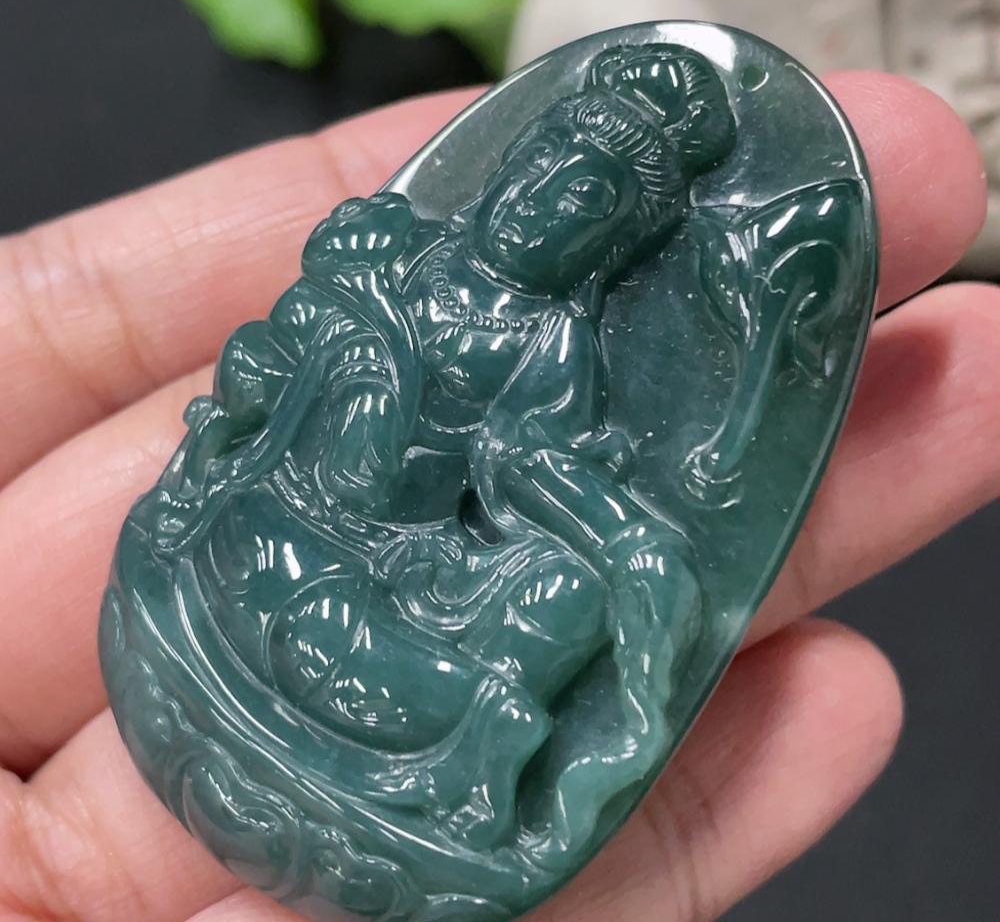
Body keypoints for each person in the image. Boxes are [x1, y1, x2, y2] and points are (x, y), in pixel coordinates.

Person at [0, 66, 991, 922]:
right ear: (513, 160)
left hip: (416, 564)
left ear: (607, 242)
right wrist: (352, 322)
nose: (541, 197)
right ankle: (440, 714)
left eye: (585, 197)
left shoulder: (552, 342)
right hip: (287, 525)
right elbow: (273, 372)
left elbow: (529, 464)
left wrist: (624, 543)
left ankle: (466, 752)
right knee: (285, 571)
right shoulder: (403, 257)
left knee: (571, 593)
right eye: (543, 163)